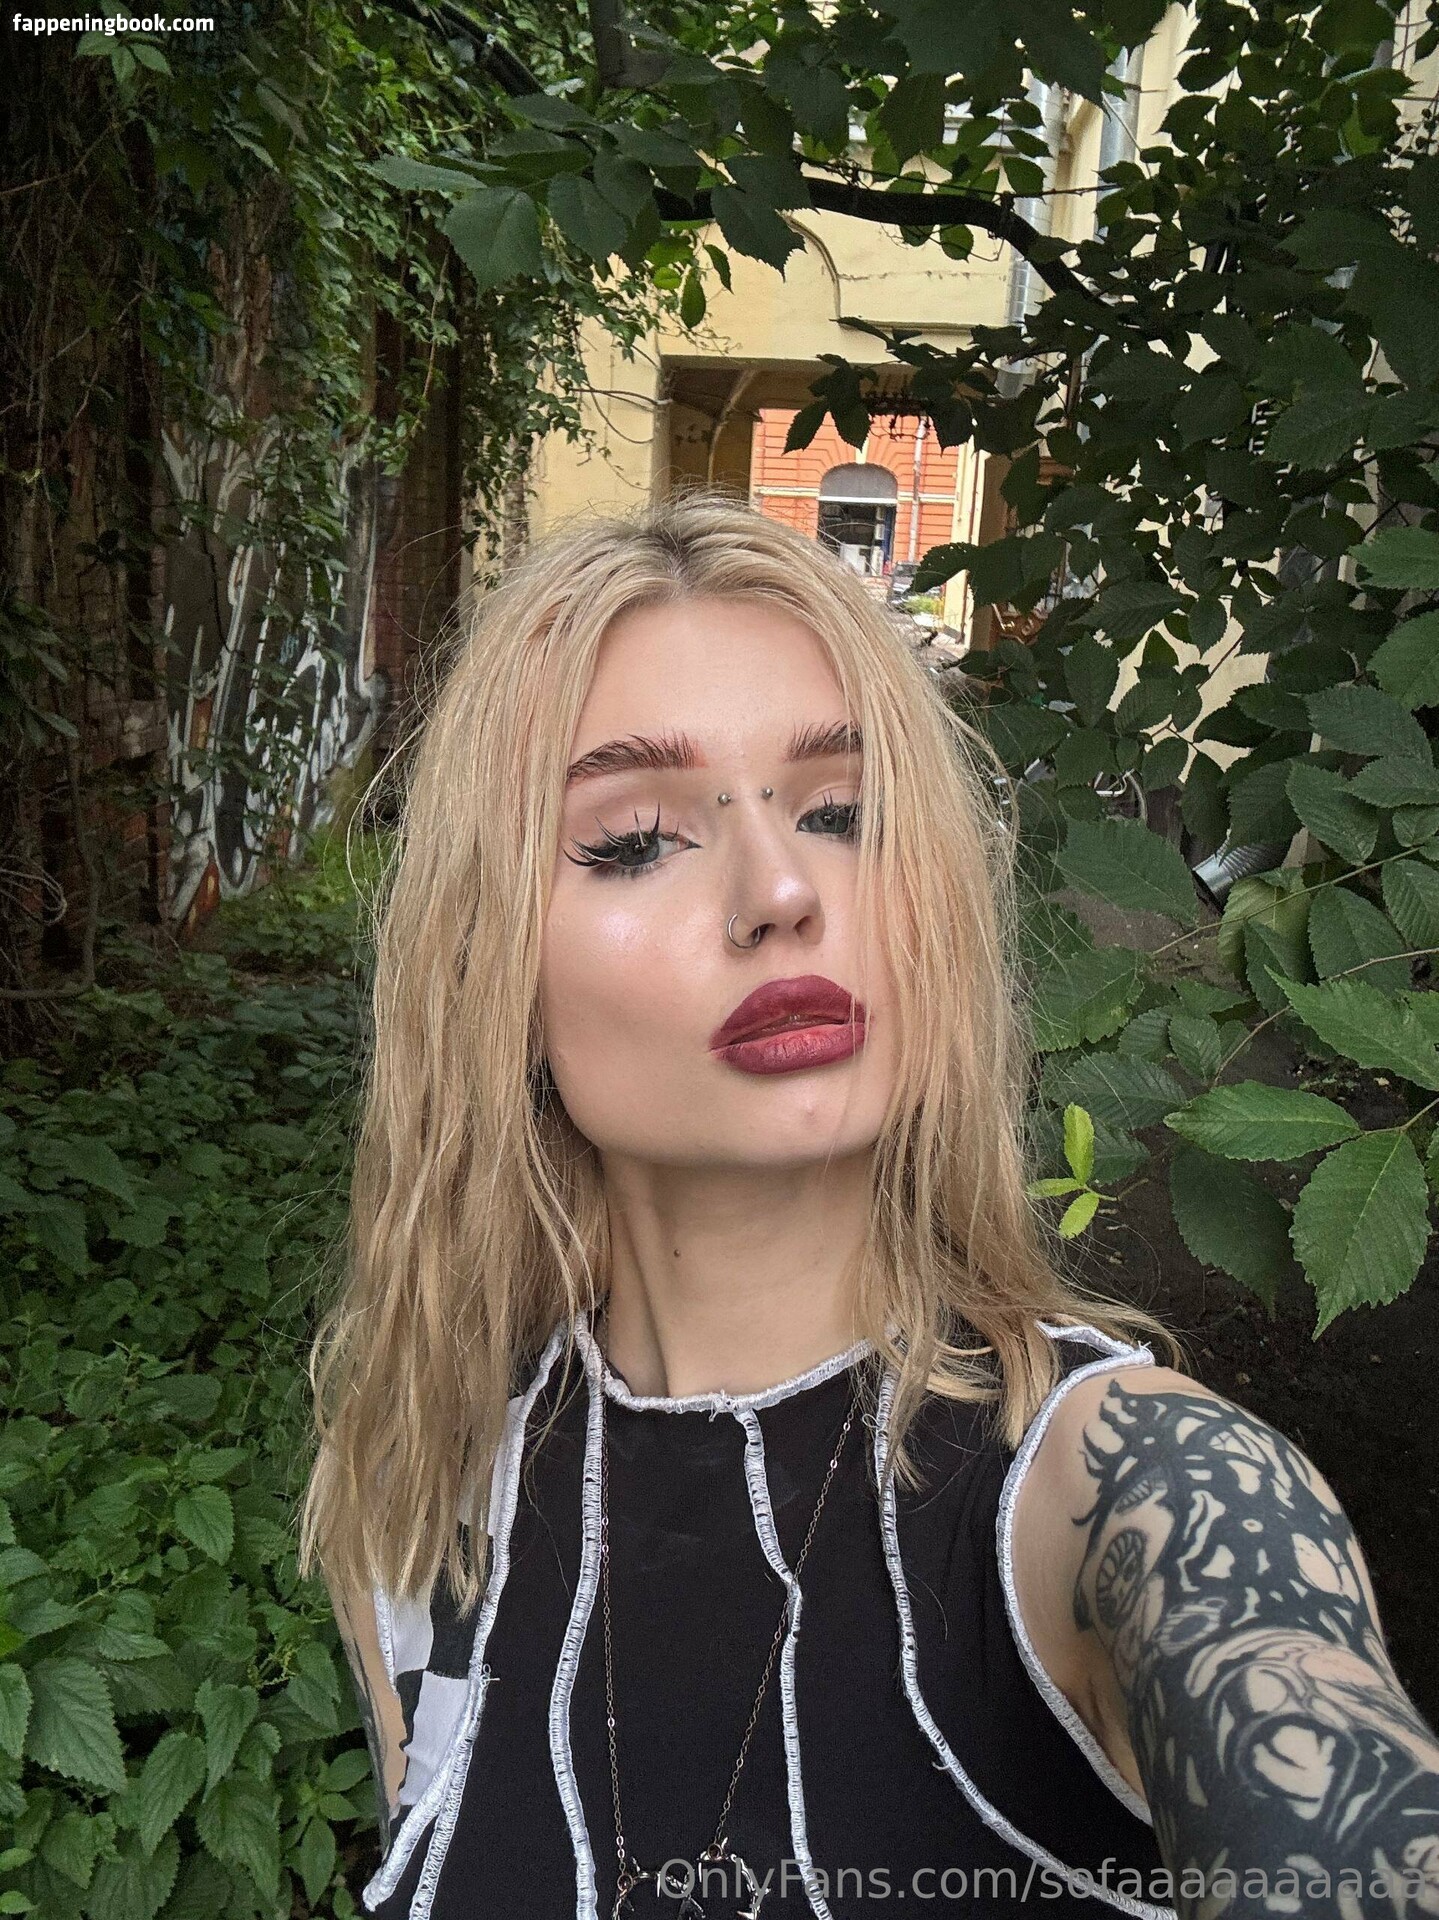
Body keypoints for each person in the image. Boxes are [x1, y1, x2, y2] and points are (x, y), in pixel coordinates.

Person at [301, 496, 1439, 1920]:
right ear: (489, 968)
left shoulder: (1136, 1494)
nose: (782, 889)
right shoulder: (425, 1496)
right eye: (636, 839)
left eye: (843, 813)